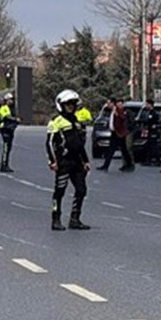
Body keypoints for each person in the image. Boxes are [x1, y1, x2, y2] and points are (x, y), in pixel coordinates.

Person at [47, 89, 91, 231]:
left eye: (73, 104)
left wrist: (85, 160)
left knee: (81, 190)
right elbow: (49, 143)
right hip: (63, 162)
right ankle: (56, 219)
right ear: (62, 105)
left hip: (76, 162)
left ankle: (75, 219)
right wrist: (52, 161)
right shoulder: (56, 122)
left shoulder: (76, 121)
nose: (71, 107)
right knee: (60, 191)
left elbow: (79, 144)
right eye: (68, 105)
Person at [99, 98, 135, 172]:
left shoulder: (118, 110)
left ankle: (129, 165)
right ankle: (128, 164)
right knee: (119, 150)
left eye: (109, 103)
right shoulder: (112, 110)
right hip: (115, 132)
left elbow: (123, 118)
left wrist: (117, 114)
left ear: (113, 103)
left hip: (119, 133)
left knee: (116, 150)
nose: (108, 105)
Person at [0, 92, 20, 173]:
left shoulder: (11, 108)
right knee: (6, 148)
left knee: (9, 148)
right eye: (10, 99)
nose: (11, 101)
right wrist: (15, 119)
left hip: (10, 129)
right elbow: (6, 117)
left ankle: (6, 164)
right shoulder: (4, 108)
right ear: (6, 100)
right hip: (5, 129)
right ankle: (3, 165)